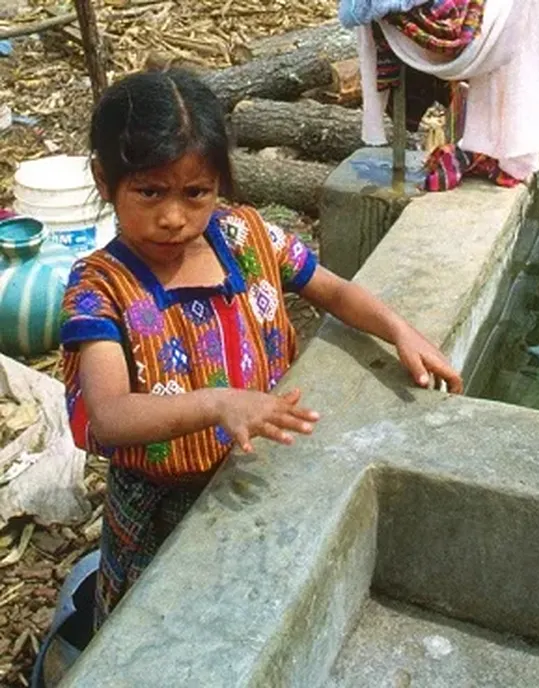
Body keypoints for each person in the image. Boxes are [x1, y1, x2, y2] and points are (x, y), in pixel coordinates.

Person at [59, 68, 463, 629]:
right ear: (106, 181)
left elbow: (332, 290)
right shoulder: (100, 289)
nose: (174, 217)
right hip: (162, 507)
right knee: (162, 627)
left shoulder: (247, 239)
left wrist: (400, 331)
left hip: (253, 475)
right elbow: (111, 415)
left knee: (250, 614)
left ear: (220, 183)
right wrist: (217, 402)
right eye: (149, 192)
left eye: (195, 193)